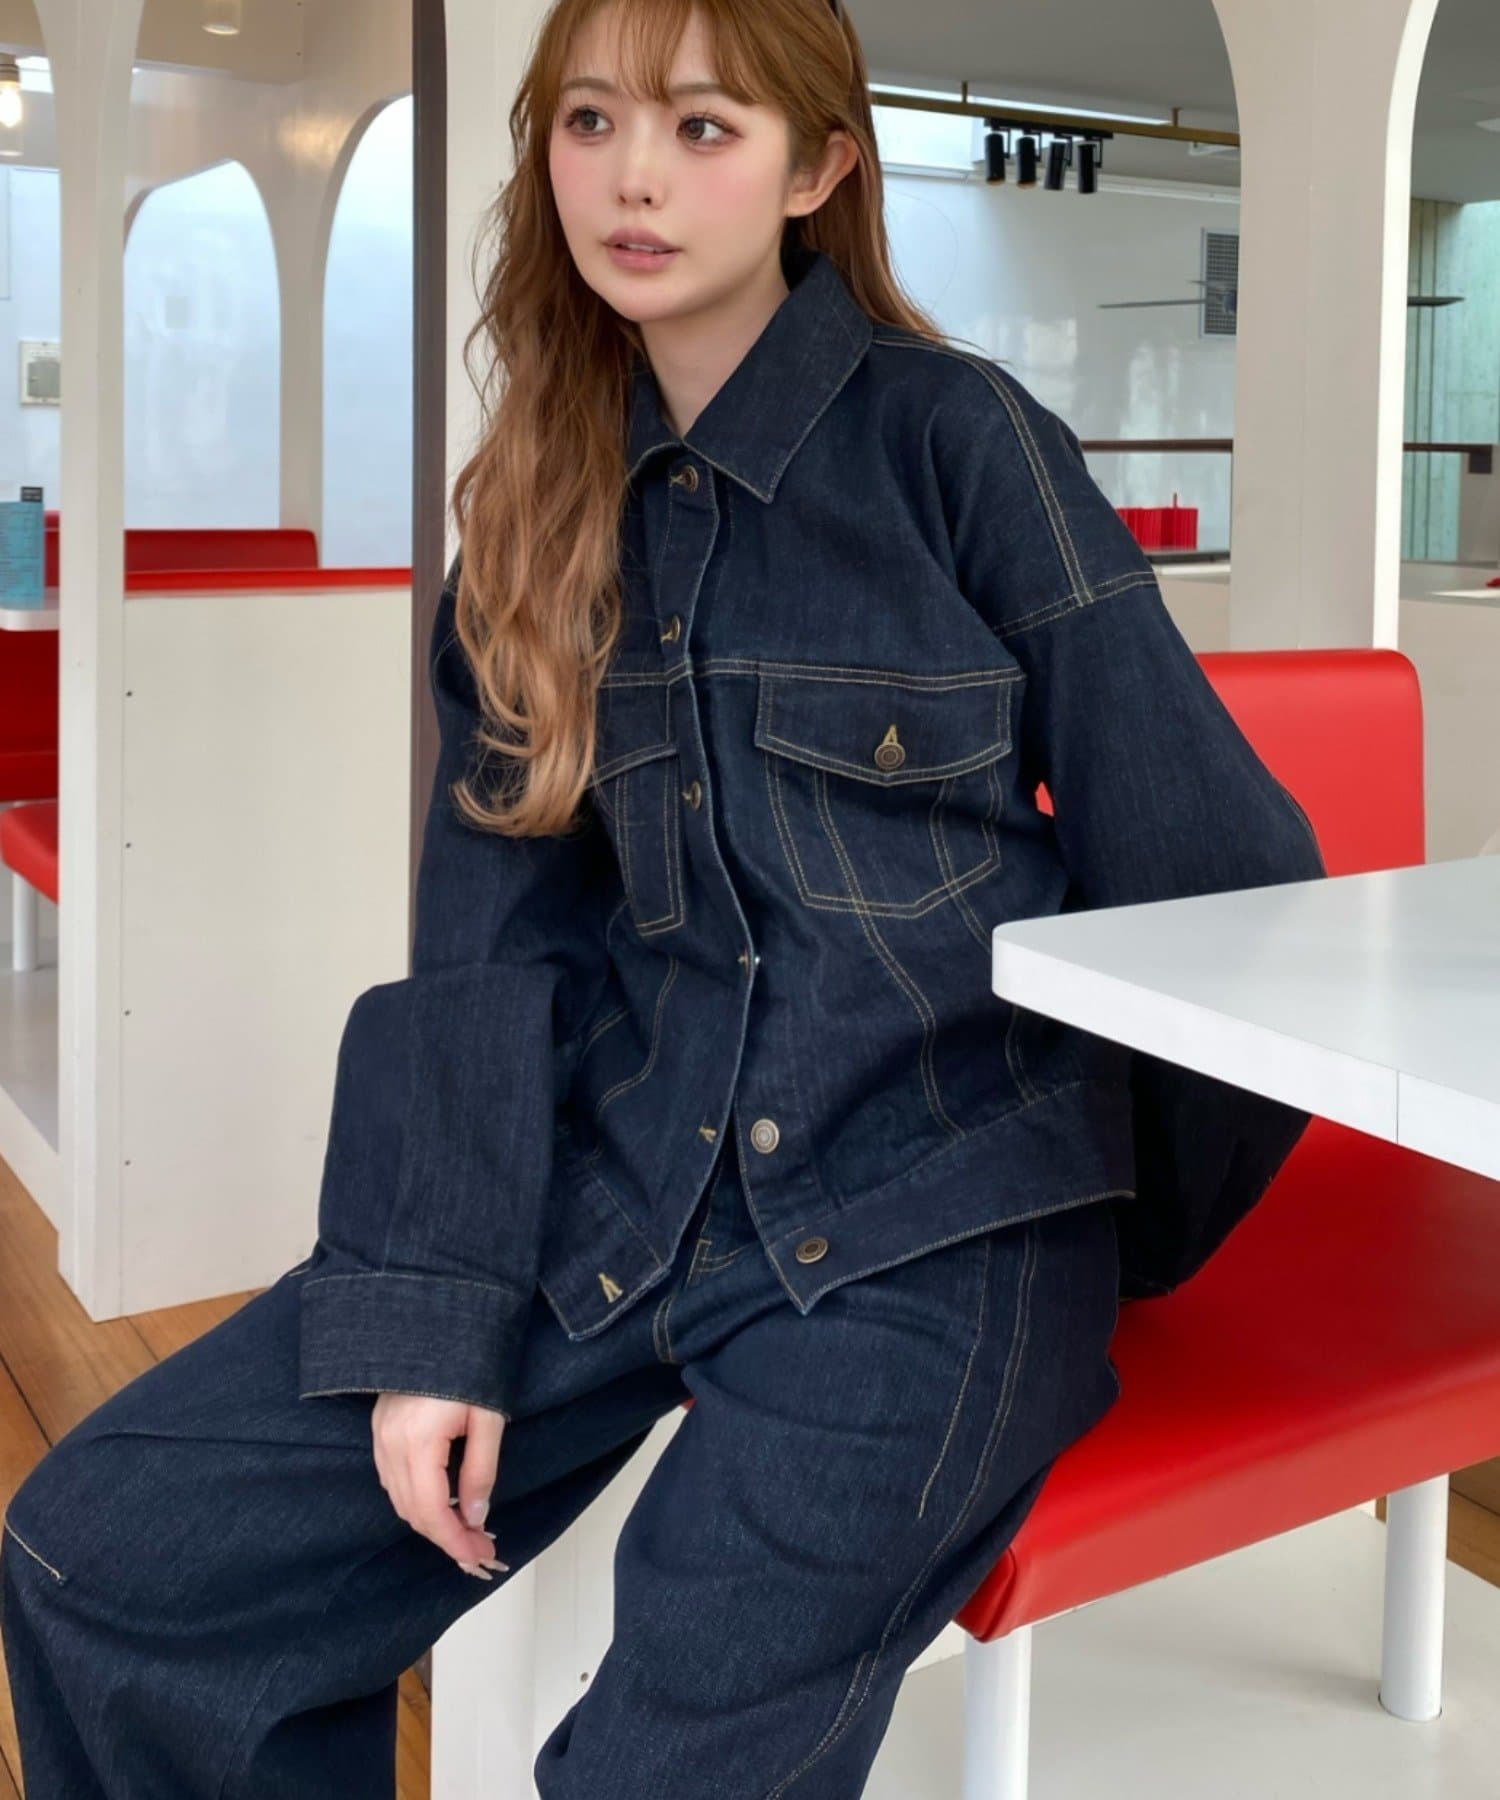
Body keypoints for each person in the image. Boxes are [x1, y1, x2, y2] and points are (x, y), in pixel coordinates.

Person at [0, 0, 1327, 1793]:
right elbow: (488, 942)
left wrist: (1105, 1222)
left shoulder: (961, 442)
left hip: (933, 1223)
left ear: (818, 168)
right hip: (625, 1184)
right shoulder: (532, 511)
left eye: (703, 128)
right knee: (105, 1561)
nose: (634, 176)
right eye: (591, 120)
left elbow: (1221, 873)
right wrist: (438, 1312)